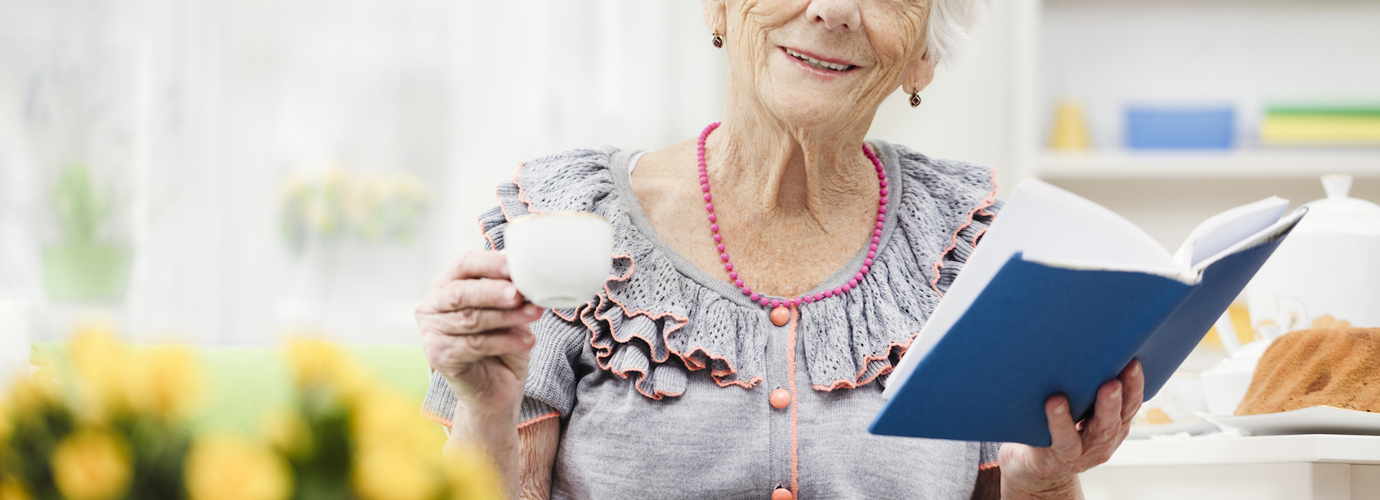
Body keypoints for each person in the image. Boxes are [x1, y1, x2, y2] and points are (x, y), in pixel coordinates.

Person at [416, 1, 1142, 498]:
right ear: (719, 8)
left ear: (924, 58)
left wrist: (1044, 483)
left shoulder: (970, 248)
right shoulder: (567, 219)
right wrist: (485, 409)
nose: (832, 8)